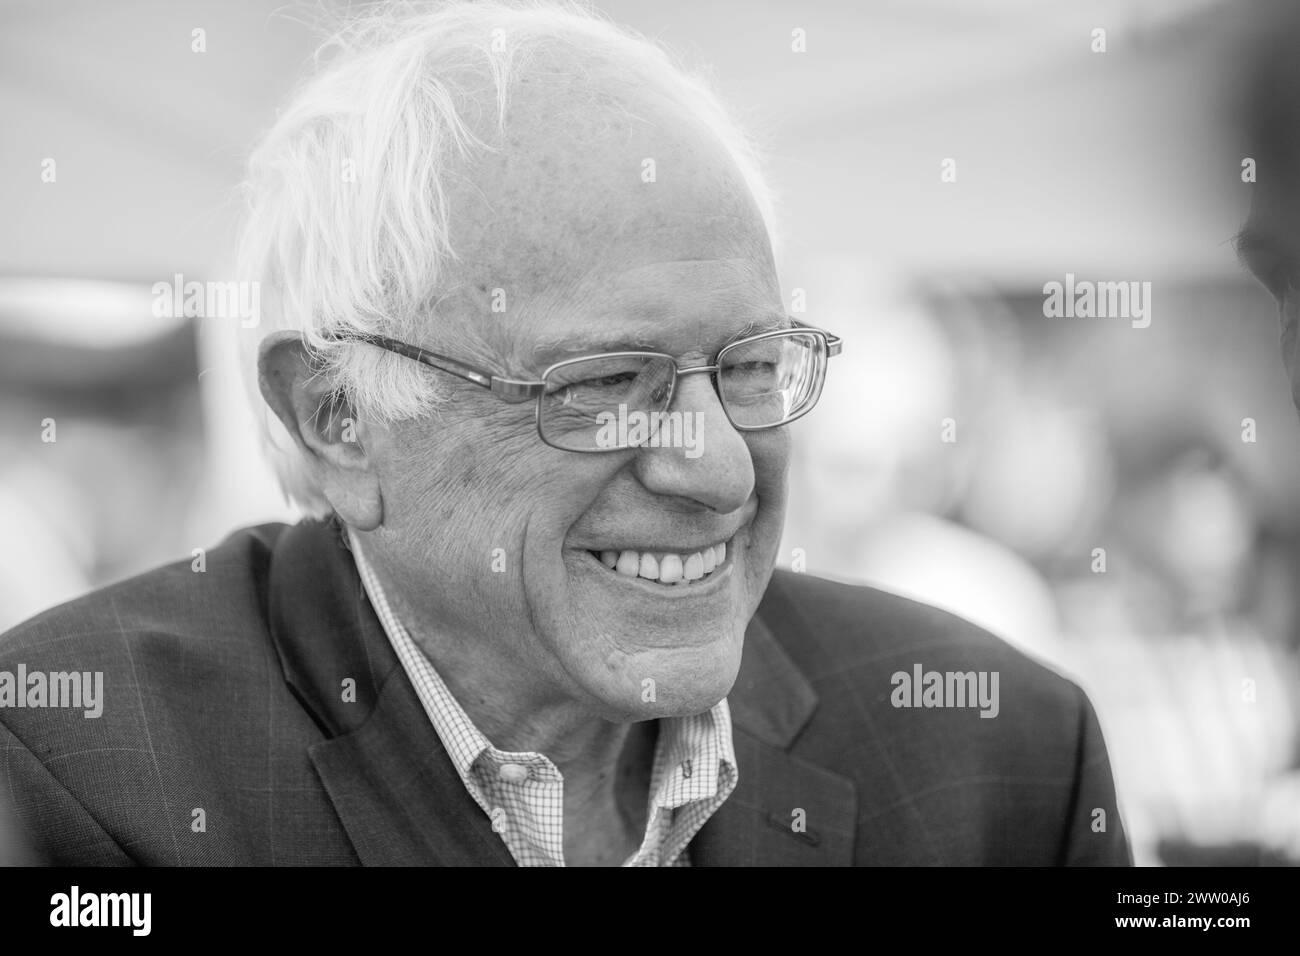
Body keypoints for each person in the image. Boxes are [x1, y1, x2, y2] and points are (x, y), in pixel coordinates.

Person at [0, 0, 1128, 866]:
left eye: (748, 365)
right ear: (336, 417)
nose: (720, 465)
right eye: (601, 384)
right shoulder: (72, 779)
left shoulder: (1002, 759)